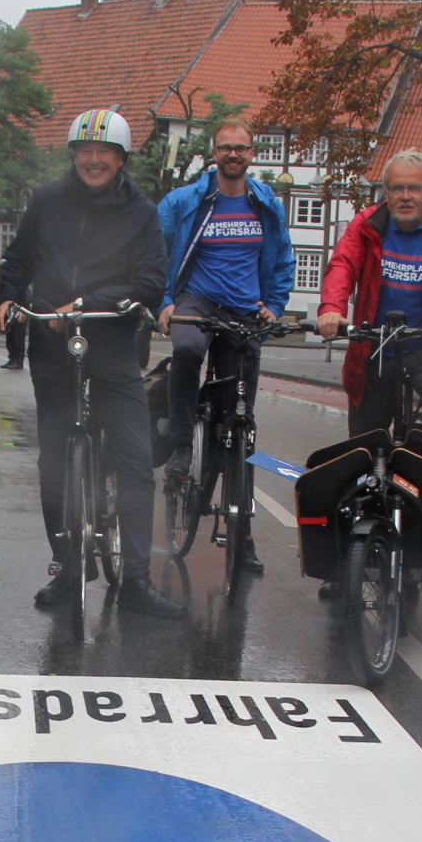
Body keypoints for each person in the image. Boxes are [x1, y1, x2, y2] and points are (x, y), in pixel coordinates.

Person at [0, 109, 184, 619]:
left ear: (121, 158)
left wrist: (87, 301)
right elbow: (17, 261)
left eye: (104, 152)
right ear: (74, 154)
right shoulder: (47, 201)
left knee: (134, 462)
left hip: (114, 346)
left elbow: (149, 281)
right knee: (53, 462)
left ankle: (137, 581)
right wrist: (9, 298)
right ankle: (68, 567)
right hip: (52, 350)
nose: (94, 159)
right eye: (85, 150)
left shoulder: (142, 212)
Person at [154, 116, 296, 576]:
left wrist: (274, 305)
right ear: (213, 153)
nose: (233, 155)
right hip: (196, 301)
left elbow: (282, 259)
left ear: (252, 154)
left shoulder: (265, 203)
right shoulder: (188, 200)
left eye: (241, 148)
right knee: (189, 351)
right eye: (225, 148)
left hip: (243, 310)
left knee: (239, 422)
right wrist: (165, 302)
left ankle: (241, 531)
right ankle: (179, 446)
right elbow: (155, 252)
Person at [315, 149, 422, 441]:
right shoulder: (366, 225)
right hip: (375, 341)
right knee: (364, 440)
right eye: (397, 188)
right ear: (386, 192)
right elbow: (342, 265)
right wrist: (332, 308)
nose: (406, 196)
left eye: (414, 188)